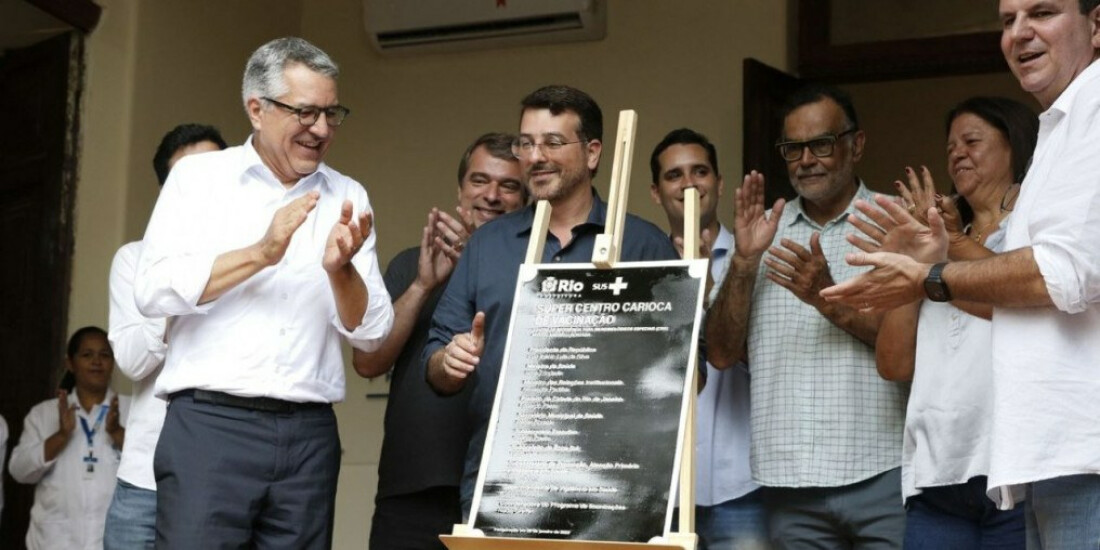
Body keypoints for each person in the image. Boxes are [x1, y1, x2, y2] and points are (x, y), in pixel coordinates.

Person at [821, 0, 1100, 544]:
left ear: (1096, 25)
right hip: (1042, 459)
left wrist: (931, 275)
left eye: (1042, 12)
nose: (1020, 33)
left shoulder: (1093, 112)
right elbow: (1019, 303)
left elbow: (1061, 273)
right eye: (1008, 20)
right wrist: (919, 273)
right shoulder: (1061, 129)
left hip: (1081, 456)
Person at [134, 37, 394, 548]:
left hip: (309, 437)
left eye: (331, 114)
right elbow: (153, 289)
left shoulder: (347, 195)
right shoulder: (197, 180)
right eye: (305, 112)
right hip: (210, 427)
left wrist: (341, 271)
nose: (321, 129)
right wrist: (261, 252)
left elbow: (372, 335)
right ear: (257, 109)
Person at [424, 85, 678, 516]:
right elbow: (435, 360)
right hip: (504, 492)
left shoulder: (644, 245)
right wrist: (448, 361)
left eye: (553, 142)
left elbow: (691, 371)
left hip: (617, 498)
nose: (536, 156)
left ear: (592, 153)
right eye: (526, 143)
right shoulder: (487, 245)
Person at [706, 85, 907, 548]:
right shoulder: (762, 234)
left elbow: (914, 350)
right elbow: (719, 354)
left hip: (882, 471)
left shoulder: (897, 224)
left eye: (821, 144)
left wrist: (828, 301)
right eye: (793, 148)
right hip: (789, 482)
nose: (806, 160)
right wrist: (744, 261)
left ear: (856, 145)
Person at [852, 97, 1037, 548]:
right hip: (937, 473)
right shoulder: (933, 238)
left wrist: (949, 245)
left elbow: (1022, 300)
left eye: (972, 141)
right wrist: (910, 263)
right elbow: (894, 364)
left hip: (1017, 471)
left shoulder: (1034, 225)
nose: (957, 154)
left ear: (1013, 145)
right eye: (951, 147)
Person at [355, 133, 527, 550]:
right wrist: (422, 285)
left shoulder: (535, 271)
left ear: (527, 200)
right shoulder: (413, 263)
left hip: (505, 488)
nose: (492, 195)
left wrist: (483, 267)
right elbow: (368, 362)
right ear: (460, 189)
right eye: (479, 180)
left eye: (508, 185)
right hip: (411, 486)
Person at [103, 123, 227, 550]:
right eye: (190, 180)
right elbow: (134, 362)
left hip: (226, 480)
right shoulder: (134, 261)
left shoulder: (255, 260)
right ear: (167, 194)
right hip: (145, 480)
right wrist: (178, 281)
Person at [649, 128, 768, 550]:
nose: (688, 184)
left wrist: (710, 287)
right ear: (655, 193)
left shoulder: (756, 259)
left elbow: (766, 358)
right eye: (674, 175)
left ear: (718, 183)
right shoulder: (644, 266)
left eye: (699, 171)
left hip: (742, 486)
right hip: (661, 492)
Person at [9, 326, 130, 550]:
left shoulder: (131, 409)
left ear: (113, 363)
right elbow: (19, 471)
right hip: (54, 542)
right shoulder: (44, 413)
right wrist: (61, 436)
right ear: (70, 363)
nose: (97, 362)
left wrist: (116, 432)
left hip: (114, 541)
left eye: (105, 355)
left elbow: (153, 467)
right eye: (87, 355)